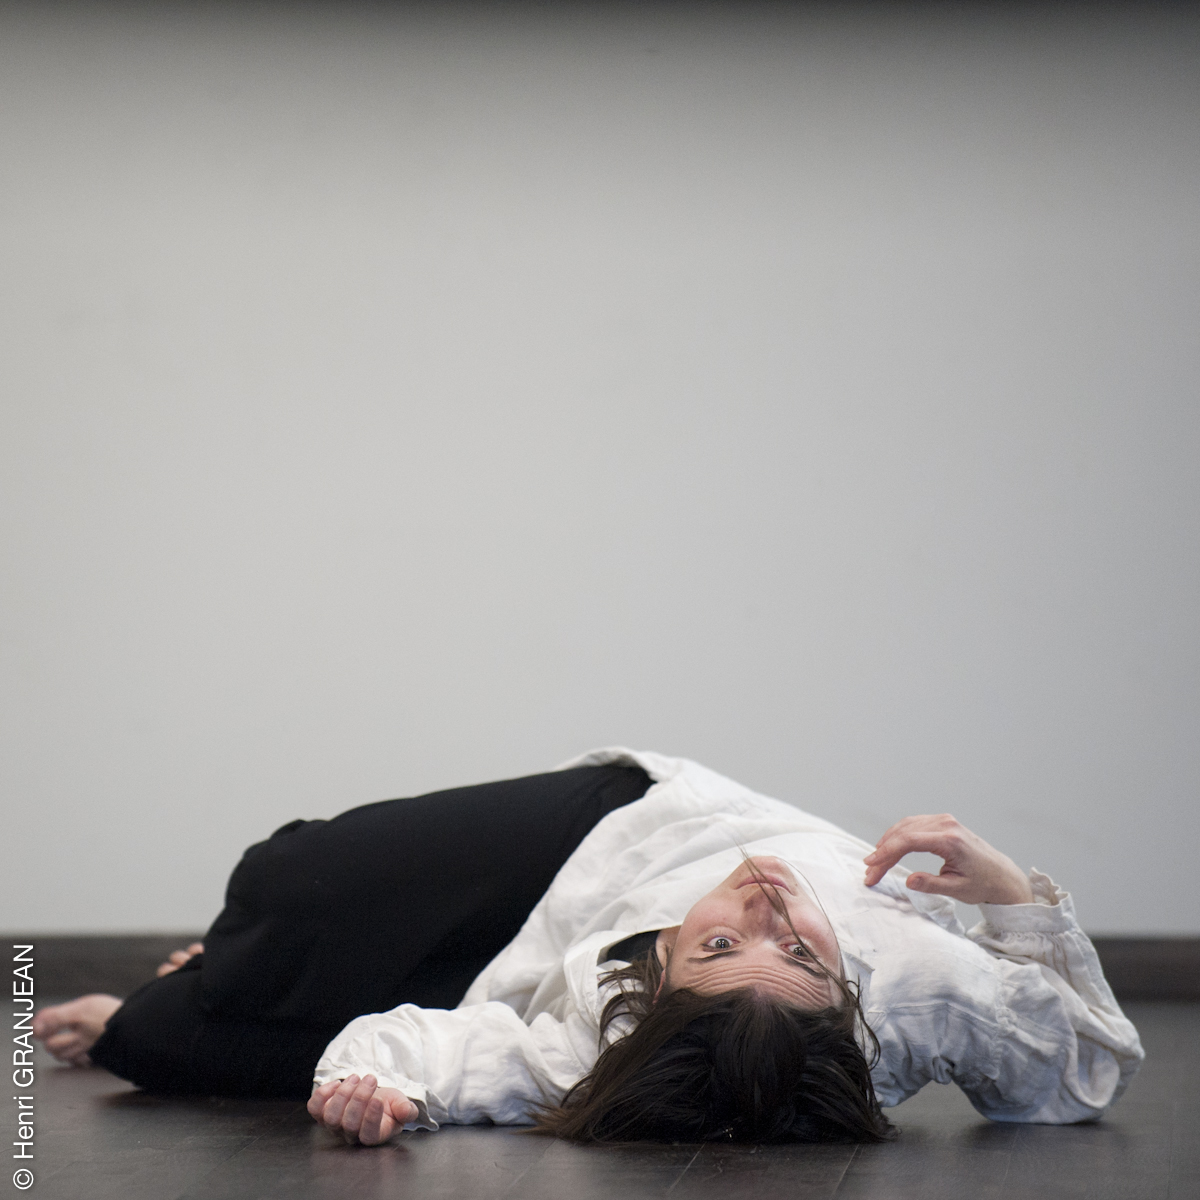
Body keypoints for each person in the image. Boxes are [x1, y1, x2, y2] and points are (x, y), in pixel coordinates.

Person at [33, 747, 1144, 1146]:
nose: (768, 904)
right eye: (801, 951)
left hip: (518, 972)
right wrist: (1011, 896)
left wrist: (378, 1093)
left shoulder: (600, 1049)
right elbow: (1087, 1066)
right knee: (287, 881)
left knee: (172, 1045)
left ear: (655, 991)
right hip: (613, 831)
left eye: (721, 942)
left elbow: (436, 1056)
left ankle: (170, 1002)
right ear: (849, 1005)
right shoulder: (923, 987)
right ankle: (231, 959)